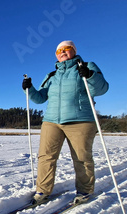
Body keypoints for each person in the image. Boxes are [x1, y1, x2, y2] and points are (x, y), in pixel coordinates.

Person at [22, 40, 109, 205]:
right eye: (58, 51)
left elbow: (101, 89)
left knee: (82, 157)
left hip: (81, 120)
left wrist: (89, 76)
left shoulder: (86, 66)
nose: (62, 52)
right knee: (46, 157)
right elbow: (40, 98)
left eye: (66, 49)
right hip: (51, 121)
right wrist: (29, 89)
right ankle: (42, 191)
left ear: (74, 51)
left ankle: (84, 191)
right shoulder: (52, 75)